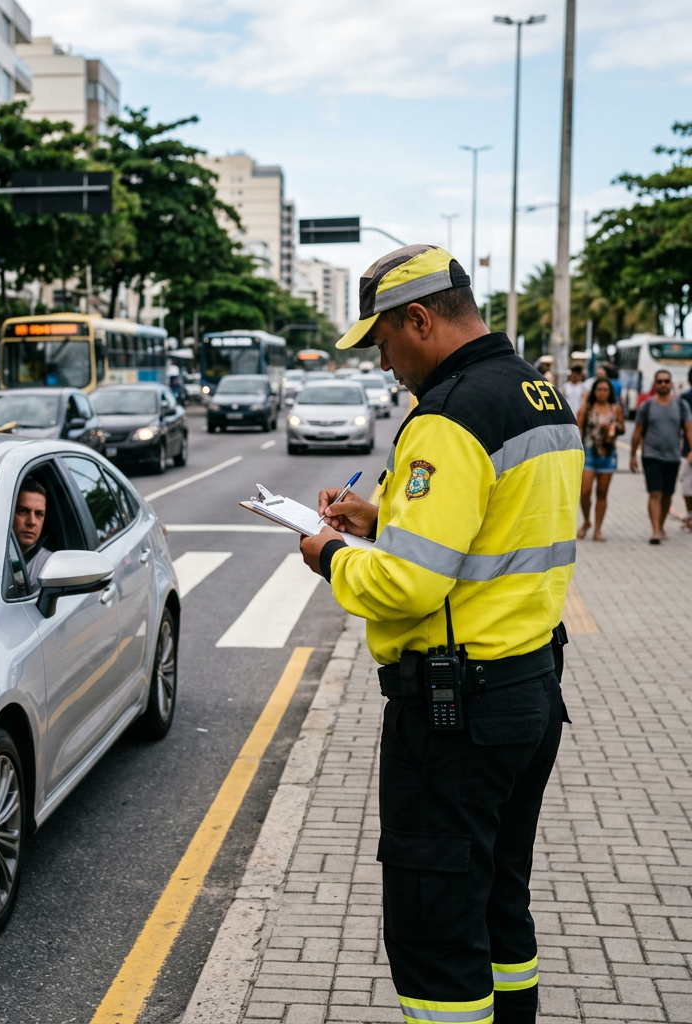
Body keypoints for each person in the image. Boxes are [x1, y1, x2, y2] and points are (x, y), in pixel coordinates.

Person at [298, 244, 582, 1024]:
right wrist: (384, 515)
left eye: (384, 343)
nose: (386, 364)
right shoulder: (540, 397)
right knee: (499, 905)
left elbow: (407, 584)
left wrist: (331, 555)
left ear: (419, 319)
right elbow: (496, 526)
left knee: (435, 932)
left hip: (456, 716)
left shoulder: (448, 416)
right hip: (529, 693)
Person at [629, 369, 692, 543]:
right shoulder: (647, 406)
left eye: (666, 381)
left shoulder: (681, 405)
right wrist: (633, 456)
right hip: (651, 456)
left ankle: (661, 526)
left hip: (672, 457)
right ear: (655, 384)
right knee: (655, 493)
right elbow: (637, 432)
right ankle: (655, 530)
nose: (663, 384)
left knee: (667, 495)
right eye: (660, 381)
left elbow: (688, 429)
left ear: (671, 384)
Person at [576, 377, 624, 541]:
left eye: (605, 390)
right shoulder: (586, 409)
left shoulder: (615, 408)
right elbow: (577, 429)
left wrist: (614, 428)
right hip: (589, 452)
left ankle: (597, 529)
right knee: (585, 491)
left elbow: (622, 427)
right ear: (593, 391)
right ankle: (587, 521)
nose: (602, 393)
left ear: (609, 392)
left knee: (602, 493)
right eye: (599, 389)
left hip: (608, 454)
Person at [12, 477, 51, 587]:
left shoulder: (50, 566)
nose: (32, 522)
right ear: (10, 514)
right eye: (23, 511)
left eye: (39, 514)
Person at [681, 368, 692, 531]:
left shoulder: (684, 398)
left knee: (687, 487)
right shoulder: (684, 399)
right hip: (689, 450)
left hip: (688, 450)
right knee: (687, 486)